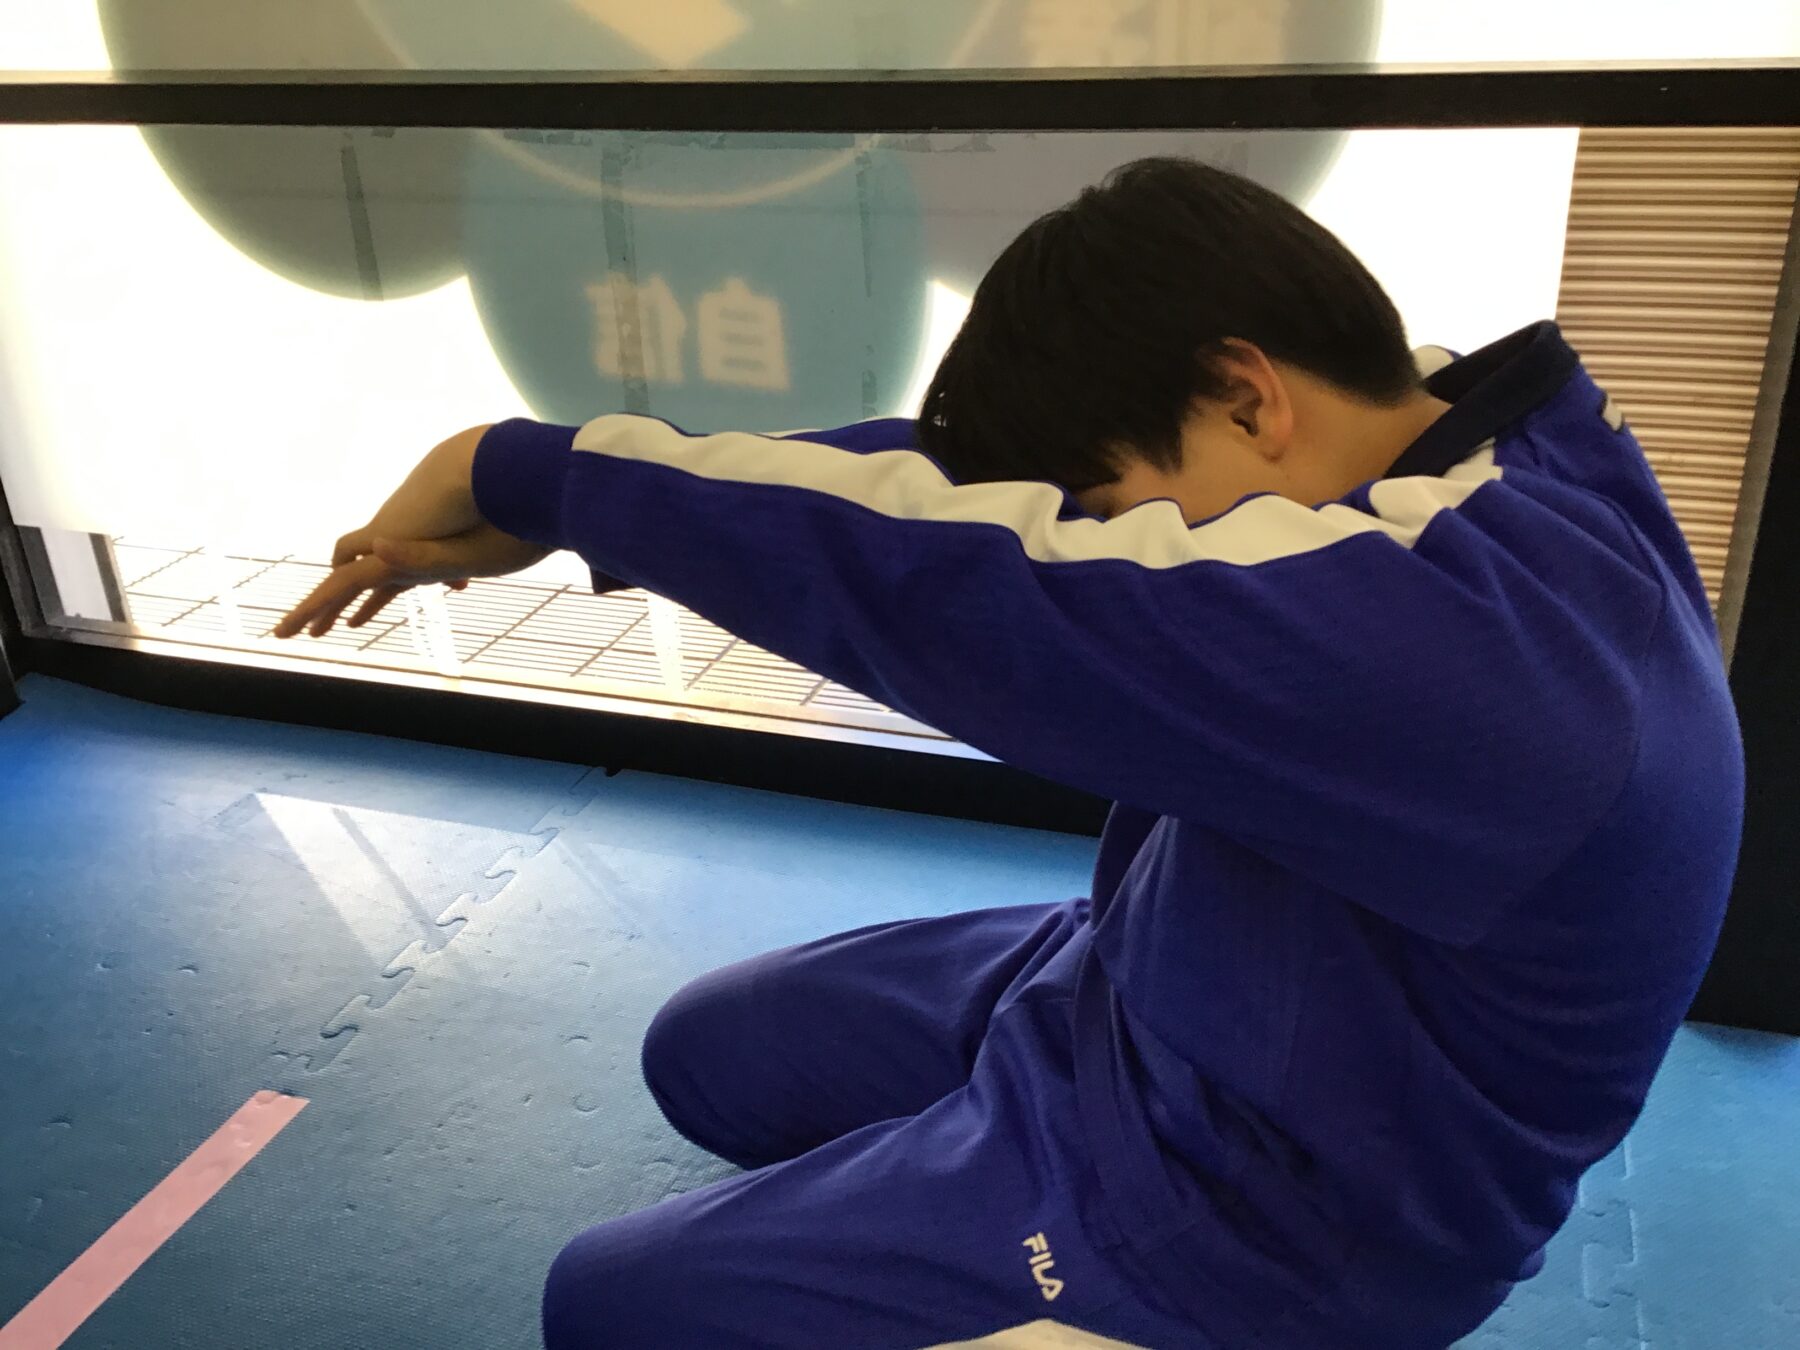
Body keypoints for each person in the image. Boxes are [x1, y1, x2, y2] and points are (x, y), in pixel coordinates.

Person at [275, 158, 1743, 1349]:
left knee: (610, 1308)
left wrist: (517, 467)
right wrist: (588, 502)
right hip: (1174, 967)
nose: (1101, 543)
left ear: (1246, 395)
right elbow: (966, 500)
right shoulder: (1462, 431)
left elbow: (974, 582)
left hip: (1270, 1211)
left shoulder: (1475, 660)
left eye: (1109, 511)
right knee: (707, 1054)